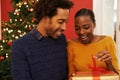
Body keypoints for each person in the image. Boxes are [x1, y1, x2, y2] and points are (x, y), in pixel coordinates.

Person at [11, 0, 73, 80]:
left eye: (66, 22)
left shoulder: (61, 40)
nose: (64, 27)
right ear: (45, 18)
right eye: (60, 22)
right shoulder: (20, 46)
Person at [67, 8, 120, 79]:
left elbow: (117, 76)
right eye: (77, 28)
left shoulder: (107, 41)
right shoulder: (71, 45)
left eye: (86, 27)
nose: (81, 32)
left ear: (94, 24)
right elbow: (71, 75)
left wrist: (109, 63)